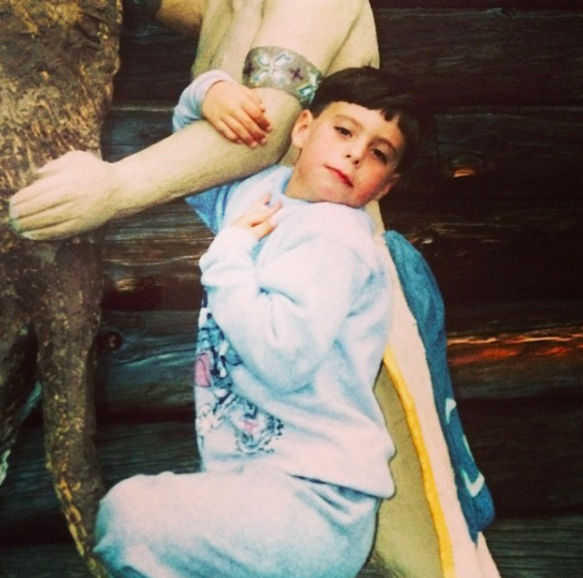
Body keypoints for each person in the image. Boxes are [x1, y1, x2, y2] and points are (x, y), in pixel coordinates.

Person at [92, 66, 421, 578]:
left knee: (129, 517)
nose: (356, 152)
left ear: (385, 186)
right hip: (259, 489)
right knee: (134, 517)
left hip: (315, 504)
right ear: (303, 128)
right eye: (344, 130)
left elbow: (281, 356)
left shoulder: (339, 239)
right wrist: (212, 93)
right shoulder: (262, 191)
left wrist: (228, 256)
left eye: (379, 153)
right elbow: (191, 162)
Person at [7, 0, 381, 240]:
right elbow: (196, 11)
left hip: (319, 261)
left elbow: (265, 129)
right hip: (259, 247)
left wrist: (116, 187)